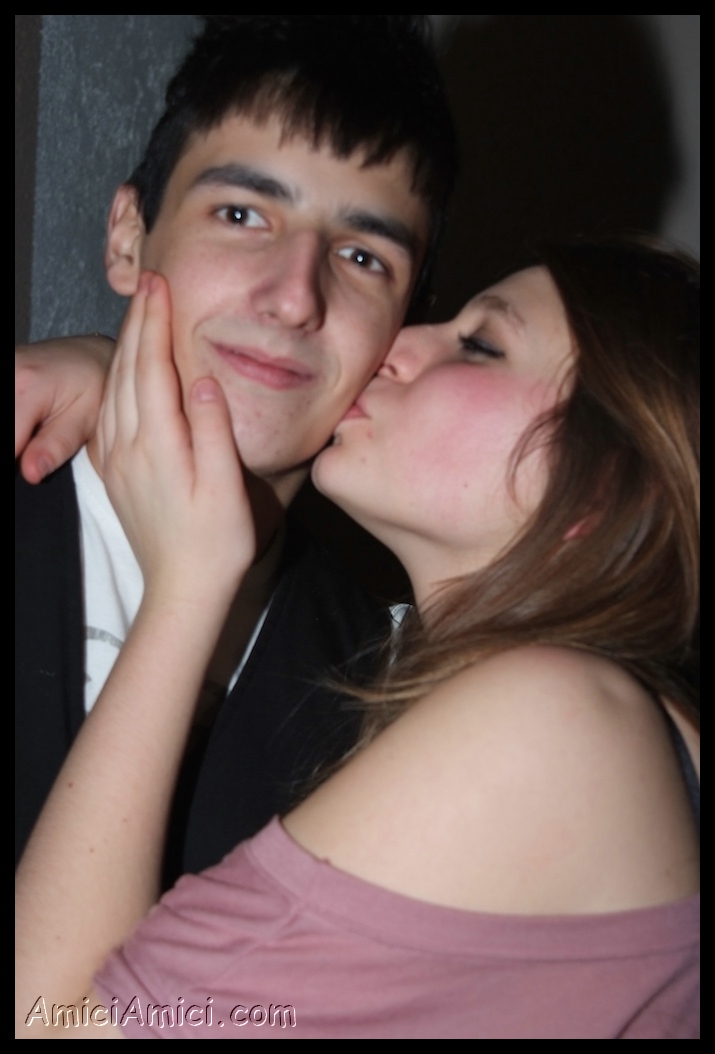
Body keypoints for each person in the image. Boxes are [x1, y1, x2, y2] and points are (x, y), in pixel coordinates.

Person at [16, 235, 699, 1040]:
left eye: (480, 345)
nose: (395, 347)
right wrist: (125, 373)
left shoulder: (555, 718)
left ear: (603, 488)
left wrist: (188, 586)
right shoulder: (597, 727)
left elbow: (47, 1025)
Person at [14, 15, 459, 877]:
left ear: (403, 330)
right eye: (241, 213)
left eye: (363, 258)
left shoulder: (388, 692)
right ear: (127, 236)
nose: (294, 297)